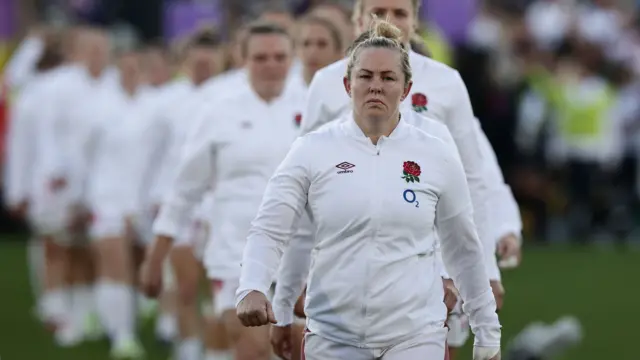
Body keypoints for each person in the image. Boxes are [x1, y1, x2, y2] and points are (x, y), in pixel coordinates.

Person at [235, 20, 501, 360]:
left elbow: (463, 247)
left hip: (416, 336)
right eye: (366, 77)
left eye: (388, 78)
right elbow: (271, 227)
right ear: (348, 85)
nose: (376, 86)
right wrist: (254, 287)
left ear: (405, 90)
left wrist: (487, 332)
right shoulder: (312, 149)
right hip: (333, 338)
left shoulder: (436, 152)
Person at [142, 22, 304, 360]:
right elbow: (185, 191)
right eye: (261, 57)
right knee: (253, 349)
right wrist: (156, 259)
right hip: (235, 254)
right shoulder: (217, 113)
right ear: (241, 59)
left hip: (302, 256)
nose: (271, 65)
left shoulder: (313, 110)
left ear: (293, 59)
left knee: (300, 350)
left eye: (279, 57)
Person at [140, 29, 230, 360]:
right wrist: (152, 197)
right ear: (186, 62)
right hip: (181, 202)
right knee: (185, 285)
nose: (204, 67)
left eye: (210, 60)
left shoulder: (232, 95)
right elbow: (152, 154)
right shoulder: (168, 102)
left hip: (220, 205)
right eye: (198, 61)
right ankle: (189, 349)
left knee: (220, 287)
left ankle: (217, 346)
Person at [83, 48, 149, 359]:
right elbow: (83, 155)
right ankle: (122, 336)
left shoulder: (153, 105)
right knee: (115, 262)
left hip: (145, 200)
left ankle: (120, 319)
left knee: (138, 266)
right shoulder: (99, 107)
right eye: (125, 68)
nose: (130, 74)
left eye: (136, 68)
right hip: (106, 196)